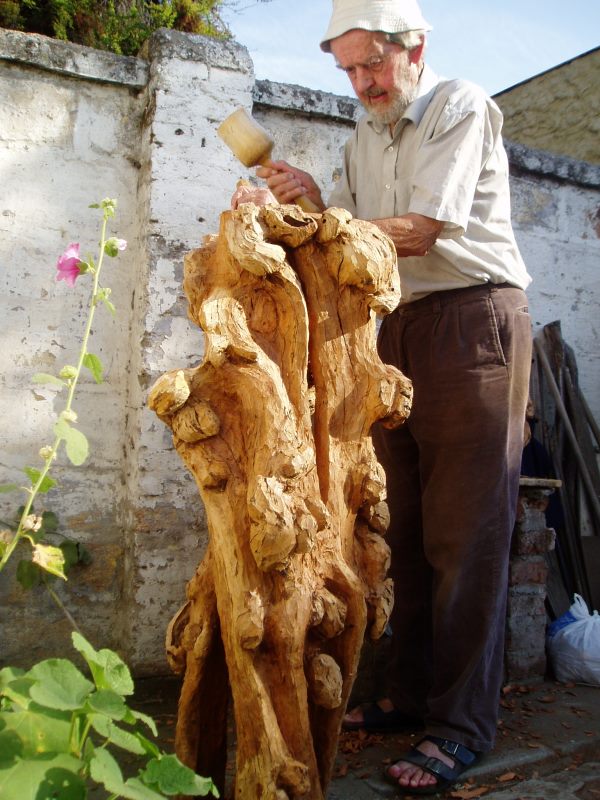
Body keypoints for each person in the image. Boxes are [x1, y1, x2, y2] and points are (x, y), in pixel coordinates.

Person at [231, 0, 533, 794]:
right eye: (349, 70)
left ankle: (461, 725)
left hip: (473, 321)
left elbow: (422, 230)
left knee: (467, 534)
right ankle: (408, 696)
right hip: (393, 326)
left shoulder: (460, 104)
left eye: (373, 63)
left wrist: (317, 225)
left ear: (414, 48)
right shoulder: (363, 135)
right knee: (403, 528)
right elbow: (356, 241)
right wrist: (307, 201)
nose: (363, 83)